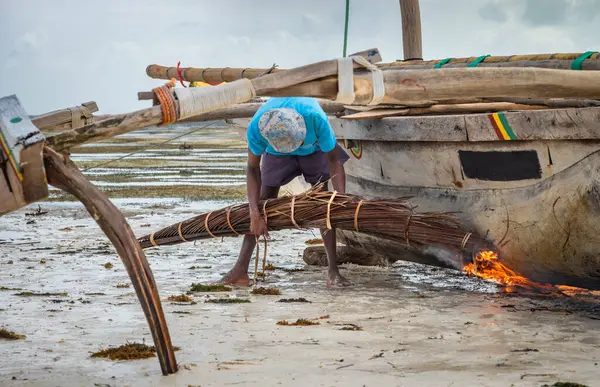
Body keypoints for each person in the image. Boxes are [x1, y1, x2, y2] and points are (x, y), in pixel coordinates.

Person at [221, 97, 351, 287]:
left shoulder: (315, 118)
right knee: (263, 202)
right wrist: (254, 212)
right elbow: (252, 168)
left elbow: (333, 159)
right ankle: (240, 270)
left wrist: (341, 199)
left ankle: (333, 272)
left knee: (324, 201)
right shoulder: (258, 128)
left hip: (313, 150)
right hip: (276, 154)